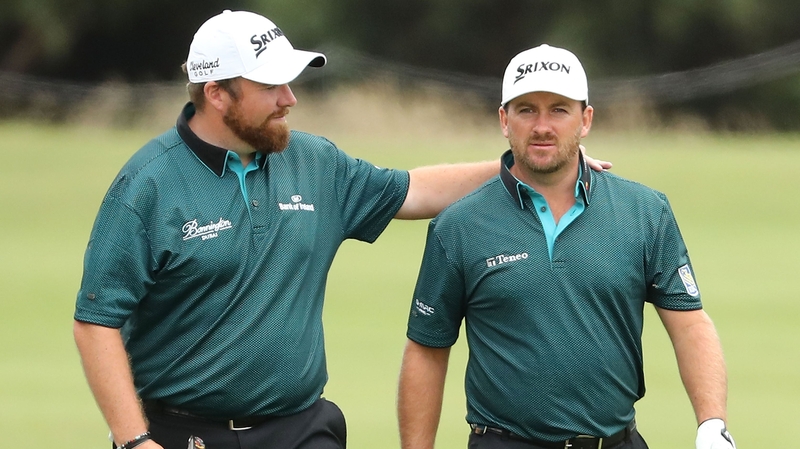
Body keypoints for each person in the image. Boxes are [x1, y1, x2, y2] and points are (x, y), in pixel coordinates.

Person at [72, 10, 612, 449]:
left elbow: (414, 190)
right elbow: (96, 322)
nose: (290, 97)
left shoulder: (314, 162)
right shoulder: (149, 185)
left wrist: (527, 166)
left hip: (301, 429)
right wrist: (134, 440)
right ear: (217, 93)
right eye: (271, 85)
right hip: (182, 434)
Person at [397, 44, 735, 449]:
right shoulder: (459, 226)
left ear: (585, 119)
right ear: (504, 120)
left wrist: (712, 423)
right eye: (526, 110)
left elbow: (690, 324)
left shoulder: (644, 211)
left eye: (559, 109)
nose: (542, 126)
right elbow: (427, 349)